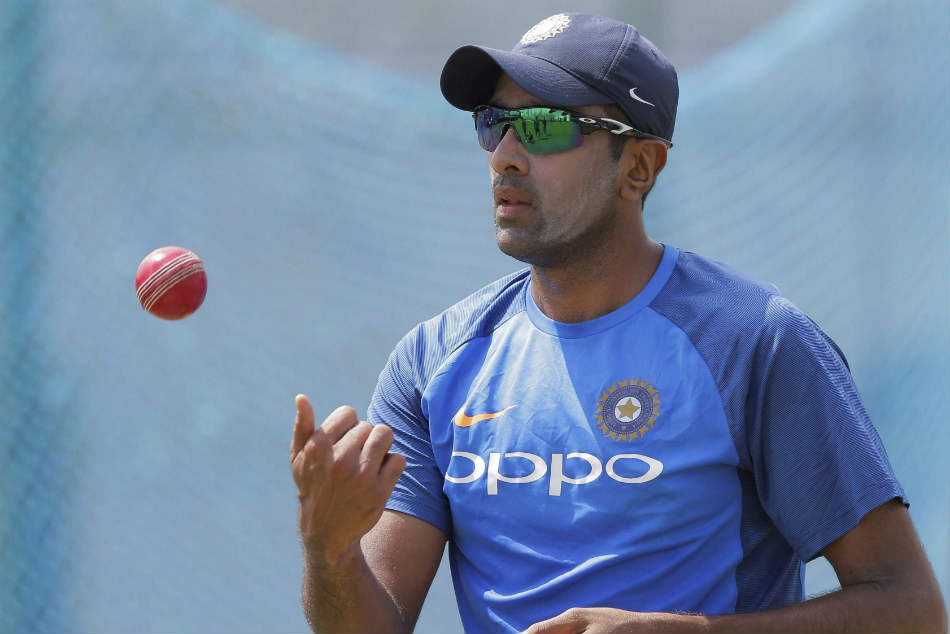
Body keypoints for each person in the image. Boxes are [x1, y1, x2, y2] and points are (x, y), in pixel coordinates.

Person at [289, 13, 947, 634]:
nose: (505, 156)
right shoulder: (433, 360)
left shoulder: (756, 342)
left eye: (544, 126)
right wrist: (329, 549)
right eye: (494, 123)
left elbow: (911, 610)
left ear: (639, 167)